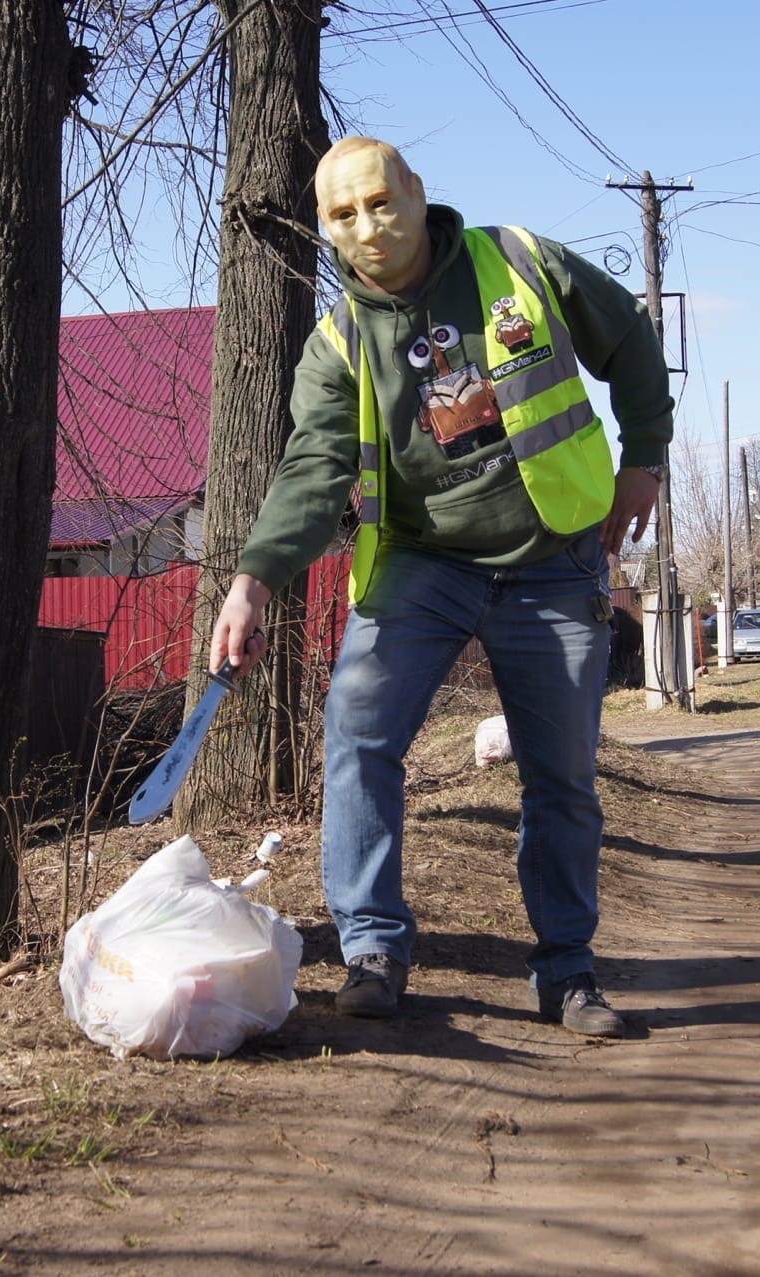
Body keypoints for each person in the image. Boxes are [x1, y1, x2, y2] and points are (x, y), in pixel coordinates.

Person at [206, 136, 674, 1038]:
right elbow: (312, 471)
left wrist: (644, 455)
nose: (367, 226)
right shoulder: (338, 343)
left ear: (418, 194)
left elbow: (629, 337)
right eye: (343, 214)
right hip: (423, 567)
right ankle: (374, 949)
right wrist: (254, 581)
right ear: (326, 229)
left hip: (553, 559)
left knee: (562, 774)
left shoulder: (521, 264)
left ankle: (568, 971)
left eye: (381, 201)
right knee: (358, 732)